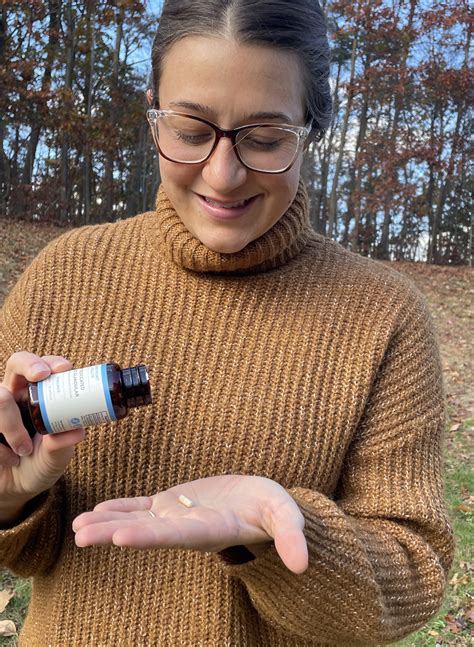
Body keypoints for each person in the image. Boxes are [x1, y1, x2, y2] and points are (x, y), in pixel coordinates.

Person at [0, 1, 454, 645]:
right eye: (190, 131)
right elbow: (27, 550)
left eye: (265, 140)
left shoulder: (383, 315)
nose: (224, 174)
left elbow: (411, 581)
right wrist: (11, 497)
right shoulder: (63, 275)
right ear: (153, 112)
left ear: (311, 130)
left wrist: (278, 531)